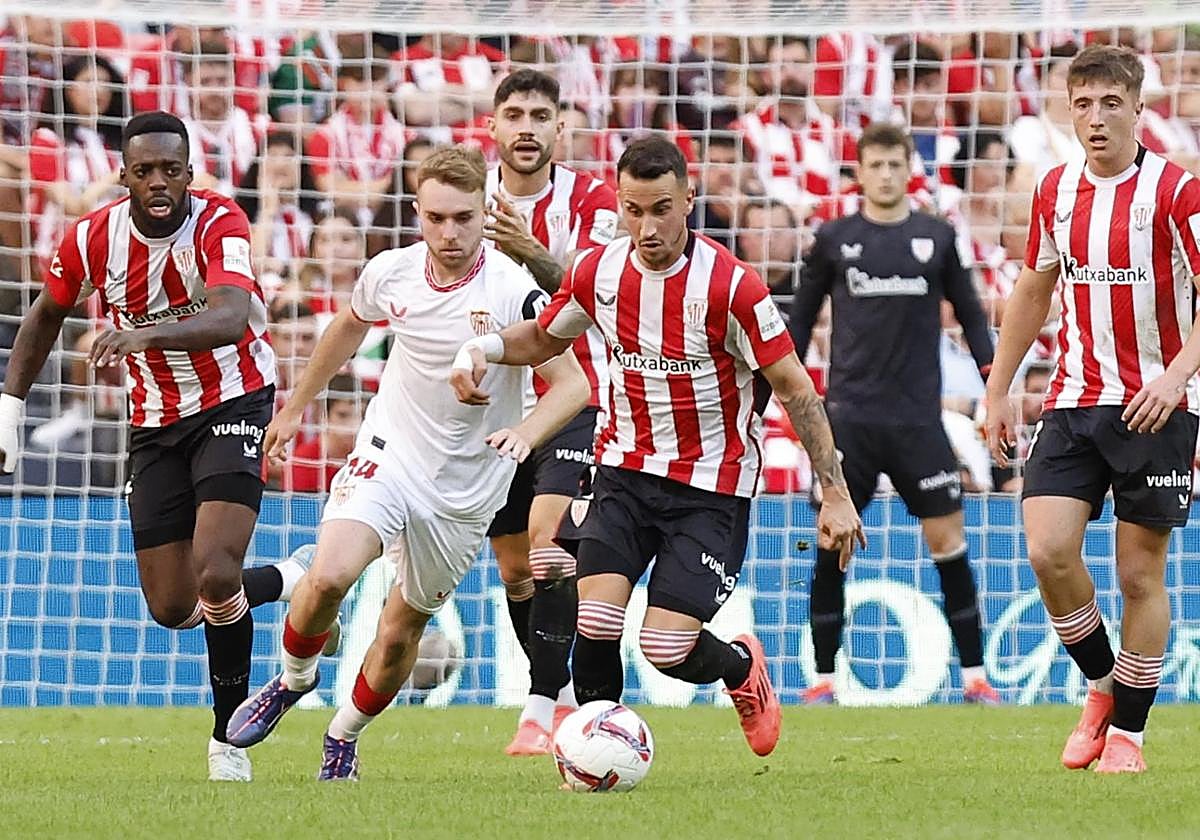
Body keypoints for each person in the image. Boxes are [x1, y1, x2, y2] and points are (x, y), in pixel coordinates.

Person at [451, 136, 864, 759]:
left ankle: (739, 669)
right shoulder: (598, 270)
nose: (647, 228)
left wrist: (833, 491)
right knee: (595, 620)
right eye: (634, 210)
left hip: (711, 489)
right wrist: (479, 350)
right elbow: (542, 337)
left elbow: (796, 391)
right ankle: (594, 757)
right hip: (622, 473)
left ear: (689, 201)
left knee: (667, 648)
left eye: (661, 209)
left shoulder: (732, 287)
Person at [225, 145, 591, 781]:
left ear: (487, 214)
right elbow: (347, 326)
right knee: (331, 575)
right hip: (388, 455)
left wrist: (525, 434)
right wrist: (292, 409)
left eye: (465, 219)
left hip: (466, 493)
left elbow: (572, 384)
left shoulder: (511, 289)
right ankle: (293, 681)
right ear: (417, 213)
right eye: (437, 218)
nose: (450, 234)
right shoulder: (390, 272)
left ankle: (345, 735)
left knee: (399, 633)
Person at [0, 112, 317, 782]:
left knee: (216, 570)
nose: (158, 182)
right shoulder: (92, 238)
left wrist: (140, 337)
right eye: (144, 170)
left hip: (234, 400)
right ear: (125, 176)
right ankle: (292, 577)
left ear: (189, 173)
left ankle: (228, 738)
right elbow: (44, 316)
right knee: (173, 606)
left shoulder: (219, 221)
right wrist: (9, 408)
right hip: (155, 423)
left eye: (171, 169)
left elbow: (231, 314)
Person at [986, 44, 1200, 774]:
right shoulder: (1053, 191)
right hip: (1076, 396)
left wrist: (1175, 376)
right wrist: (999, 386)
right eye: (1083, 103)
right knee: (1048, 551)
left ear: (1139, 109)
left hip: (1156, 406)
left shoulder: (1177, 192)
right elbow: (1034, 288)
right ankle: (1104, 685)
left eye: (1112, 103)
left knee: (1140, 576)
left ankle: (1130, 736)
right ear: (1067, 109)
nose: (1097, 118)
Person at [790, 122, 1000, 706]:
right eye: (874, 165)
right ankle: (823, 680)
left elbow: (974, 317)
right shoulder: (833, 239)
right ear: (859, 171)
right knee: (834, 541)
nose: (884, 175)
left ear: (909, 168)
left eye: (894, 164)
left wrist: (993, 382)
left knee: (947, 541)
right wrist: (777, 393)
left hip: (917, 421)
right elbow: (800, 325)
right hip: (849, 420)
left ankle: (974, 677)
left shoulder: (936, 236)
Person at [481, 68, 619, 755]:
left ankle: (536, 710)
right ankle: (561, 697)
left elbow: (594, 290)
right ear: (493, 126)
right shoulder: (463, 201)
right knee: (513, 567)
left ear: (560, 127)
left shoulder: (592, 199)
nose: (527, 126)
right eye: (515, 114)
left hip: (578, 396)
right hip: (493, 409)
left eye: (540, 115)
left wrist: (529, 252)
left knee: (546, 541)